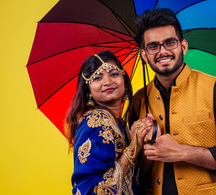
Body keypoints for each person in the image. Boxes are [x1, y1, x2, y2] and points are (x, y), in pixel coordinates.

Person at [132, 9, 216, 194]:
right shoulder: (139, 100)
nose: (162, 51)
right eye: (153, 46)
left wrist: (181, 152)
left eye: (169, 43)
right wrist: (144, 150)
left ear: (183, 46)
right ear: (144, 54)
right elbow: (137, 174)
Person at [65, 50, 154, 195]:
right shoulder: (95, 122)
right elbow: (95, 190)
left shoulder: (120, 124)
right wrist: (133, 147)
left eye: (114, 74)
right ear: (88, 91)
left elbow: (133, 179)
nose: (108, 82)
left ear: (124, 80)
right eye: (97, 78)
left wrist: (145, 143)